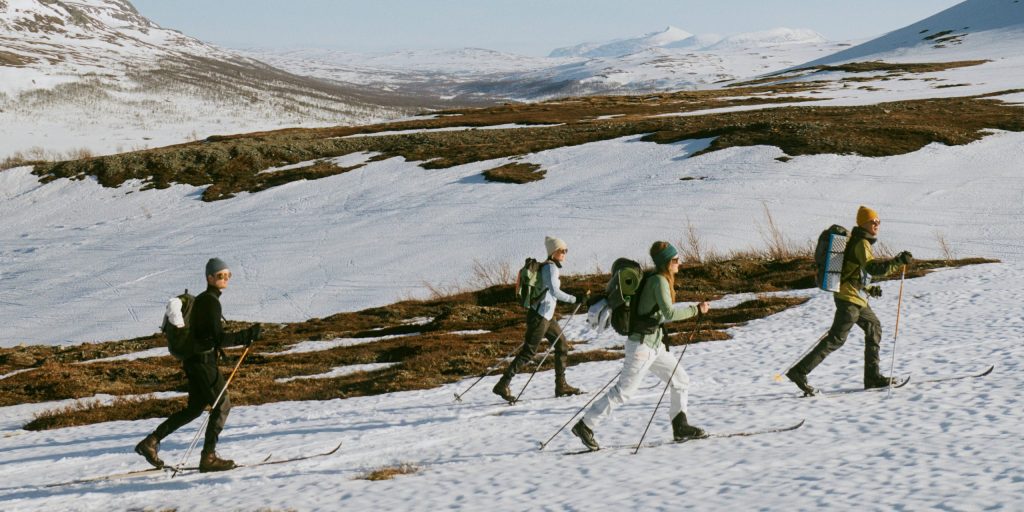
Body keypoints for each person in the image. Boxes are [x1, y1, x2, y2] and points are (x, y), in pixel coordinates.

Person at [571, 241, 710, 451]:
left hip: (654, 345)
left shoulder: (654, 278)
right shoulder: (659, 281)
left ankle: (680, 426)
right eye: (675, 260)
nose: (679, 263)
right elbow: (668, 313)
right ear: (666, 262)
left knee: (681, 380)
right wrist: (696, 310)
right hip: (642, 346)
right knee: (623, 392)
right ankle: (585, 425)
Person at [135, 258, 261, 472]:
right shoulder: (210, 302)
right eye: (220, 275)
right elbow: (217, 339)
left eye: (228, 275)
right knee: (222, 405)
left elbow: (209, 336)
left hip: (194, 361)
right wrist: (247, 334)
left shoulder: (205, 300)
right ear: (209, 277)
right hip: (203, 363)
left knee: (194, 409)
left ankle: (151, 441)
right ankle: (208, 457)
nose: (225, 279)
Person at [786, 206, 913, 395]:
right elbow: (873, 269)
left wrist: (869, 289)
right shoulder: (861, 243)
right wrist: (898, 261)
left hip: (856, 298)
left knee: (874, 327)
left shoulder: (860, 242)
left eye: (878, 221)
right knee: (836, 339)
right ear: (863, 223)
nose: (877, 224)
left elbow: (854, 273)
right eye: (873, 221)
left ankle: (872, 377)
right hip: (848, 299)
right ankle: (799, 372)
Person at [493, 236, 585, 402]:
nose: (564, 253)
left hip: (547, 317)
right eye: (562, 250)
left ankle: (561, 386)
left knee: (562, 345)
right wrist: (575, 299)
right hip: (540, 317)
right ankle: (503, 384)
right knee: (528, 352)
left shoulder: (548, 267)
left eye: (566, 250)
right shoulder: (550, 268)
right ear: (553, 252)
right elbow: (555, 291)